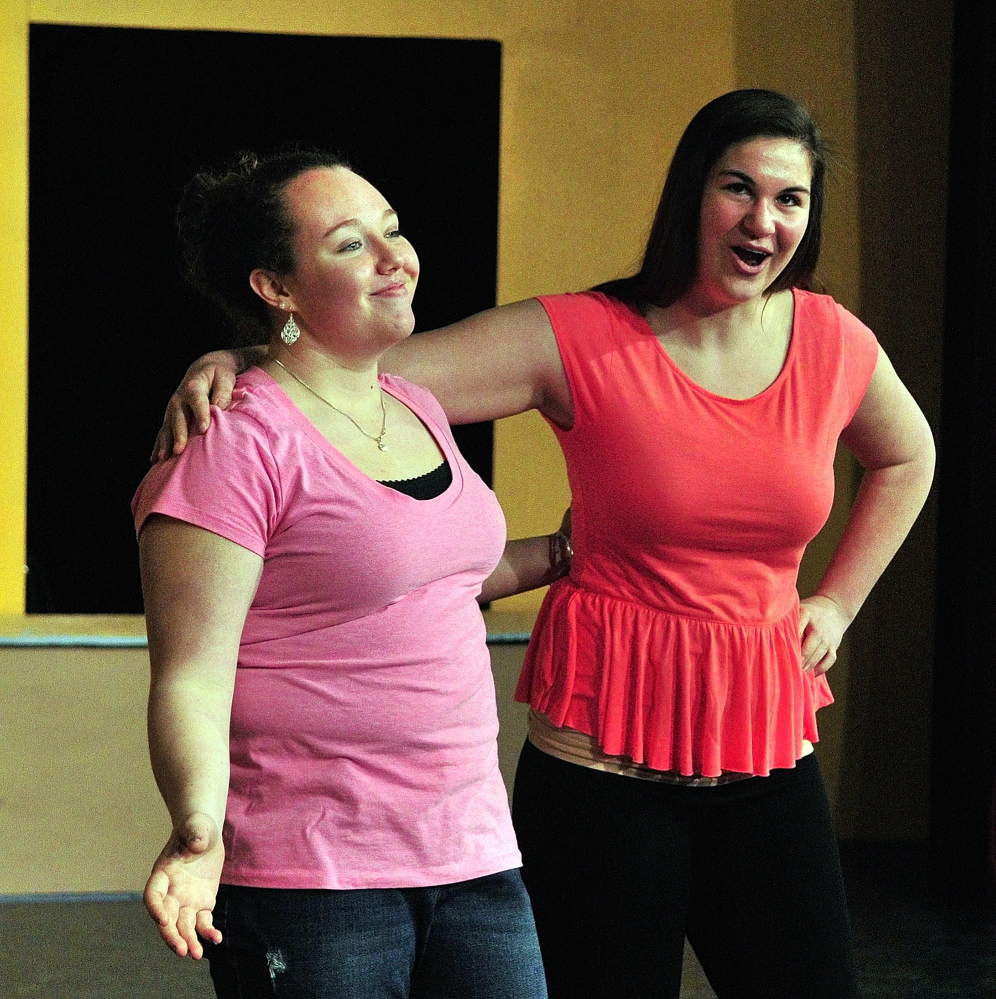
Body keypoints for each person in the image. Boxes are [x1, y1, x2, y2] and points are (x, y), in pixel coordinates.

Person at [152, 91, 935, 999]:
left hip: (762, 740)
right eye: (738, 188)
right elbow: (349, 366)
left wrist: (838, 599)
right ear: (694, 194)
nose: (764, 218)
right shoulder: (583, 334)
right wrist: (234, 359)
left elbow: (908, 454)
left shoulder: (833, 341)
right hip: (605, 752)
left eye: (790, 198)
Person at [133, 149, 561, 999]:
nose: (393, 256)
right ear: (277, 289)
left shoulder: (418, 408)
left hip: (473, 852)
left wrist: (566, 552)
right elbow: (191, 675)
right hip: (312, 877)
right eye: (349, 244)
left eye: (392, 231)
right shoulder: (233, 443)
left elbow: (431, 584)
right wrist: (198, 829)